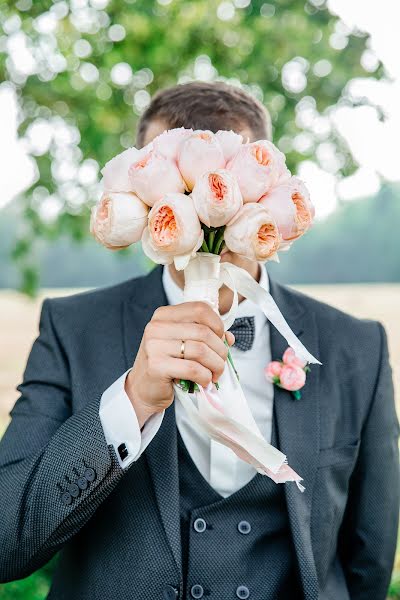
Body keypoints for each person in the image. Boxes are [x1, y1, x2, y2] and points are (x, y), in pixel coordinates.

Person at [0, 81, 398, 600]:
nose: (203, 208)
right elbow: (7, 542)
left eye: (217, 188)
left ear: (268, 193)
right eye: (176, 193)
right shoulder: (72, 329)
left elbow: (367, 559)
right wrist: (133, 398)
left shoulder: (355, 347)